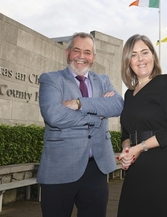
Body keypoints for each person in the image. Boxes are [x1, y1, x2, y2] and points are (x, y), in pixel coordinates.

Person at [37, 32, 124, 217]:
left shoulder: (104, 81)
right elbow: (54, 115)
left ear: (94, 57)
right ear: (68, 52)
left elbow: (117, 105)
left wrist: (80, 104)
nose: (82, 57)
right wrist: (97, 115)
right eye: (77, 50)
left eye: (87, 52)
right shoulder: (51, 79)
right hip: (59, 167)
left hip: (96, 168)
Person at [117, 34, 167, 217]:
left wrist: (139, 148)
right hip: (135, 167)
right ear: (128, 62)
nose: (140, 59)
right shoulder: (128, 95)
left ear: (153, 57)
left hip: (161, 167)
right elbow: (126, 132)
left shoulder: (166, 83)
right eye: (134, 55)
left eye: (144, 52)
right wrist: (127, 150)